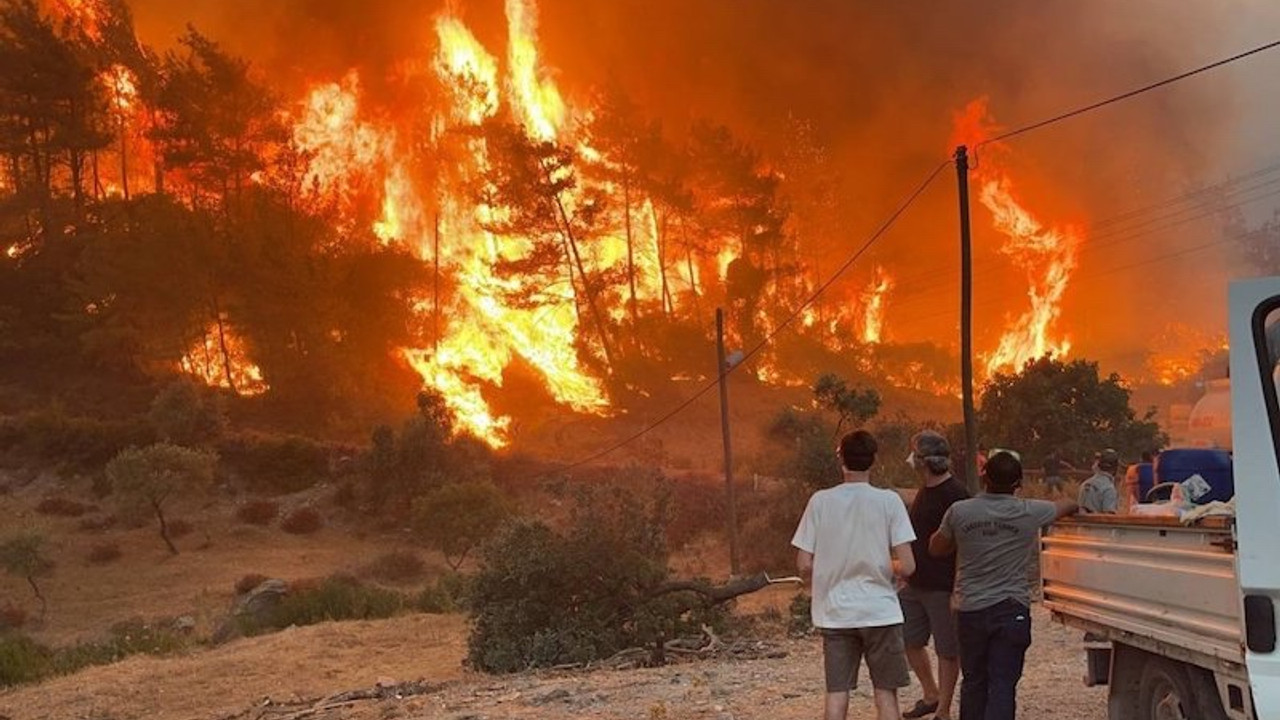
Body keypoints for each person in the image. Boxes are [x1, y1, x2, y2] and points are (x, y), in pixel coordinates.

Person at [929, 451, 1078, 720]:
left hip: (970, 608)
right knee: (1002, 685)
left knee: (973, 680)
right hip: (1011, 609)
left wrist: (958, 539)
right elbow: (1066, 504)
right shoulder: (1029, 511)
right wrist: (1077, 508)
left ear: (984, 477)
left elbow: (936, 547)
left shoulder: (960, 511)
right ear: (1018, 484)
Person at [792, 429, 917, 720]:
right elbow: (909, 565)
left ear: (841, 459)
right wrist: (891, 570)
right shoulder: (889, 501)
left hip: (835, 613)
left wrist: (827, 573)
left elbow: (804, 564)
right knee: (886, 694)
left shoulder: (820, 501)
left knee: (837, 693)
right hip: (881, 611)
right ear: (874, 460)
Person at [900, 431, 969, 720]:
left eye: (914, 453)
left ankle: (943, 710)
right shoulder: (925, 490)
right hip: (914, 584)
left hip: (942, 588)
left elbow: (965, 546)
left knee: (947, 650)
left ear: (923, 461)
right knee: (909, 641)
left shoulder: (956, 494)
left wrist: (957, 588)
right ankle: (931, 694)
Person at [1078, 448, 1120, 514]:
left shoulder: (1085, 484)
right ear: (1115, 467)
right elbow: (1109, 518)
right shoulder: (1109, 489)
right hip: (1098, 524)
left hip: (1081, 524)